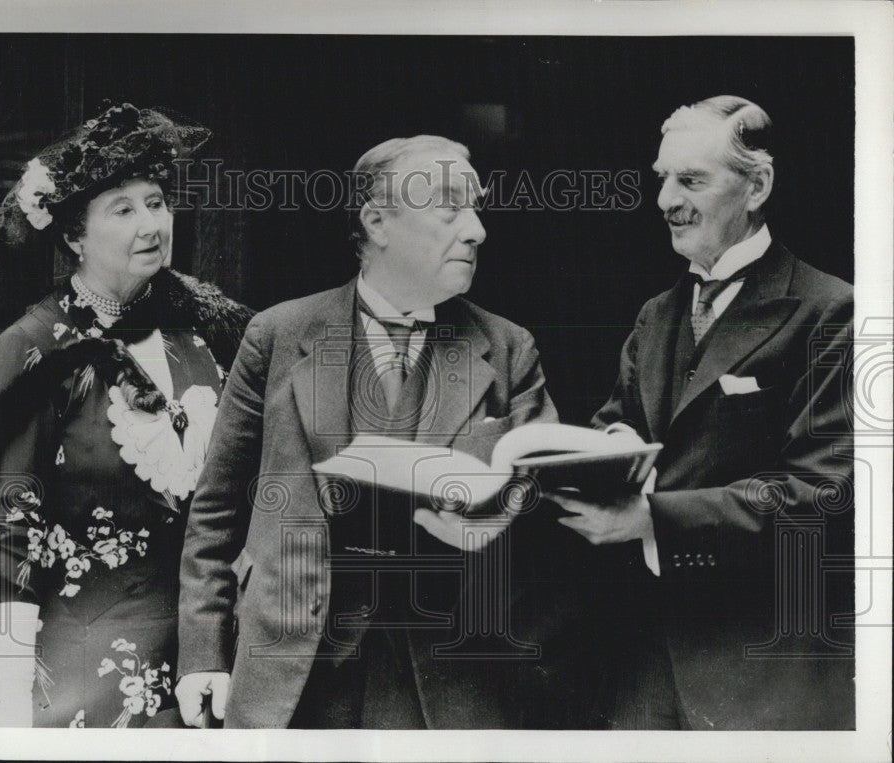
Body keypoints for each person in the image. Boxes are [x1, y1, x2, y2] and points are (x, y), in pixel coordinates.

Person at [176, 135, 558, 728]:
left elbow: (544, 516)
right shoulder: (278, 335)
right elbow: (217, 511)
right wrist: (202, 654)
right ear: (378, 222)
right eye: (451, 209)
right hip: (294, 668)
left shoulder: (509, 350)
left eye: (478, 209)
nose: (478, 229)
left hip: (450, 678)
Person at [0, 102, 254, 728]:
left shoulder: (205, 335)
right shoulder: (36, 349)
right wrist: (4, 695)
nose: (150, 224)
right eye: (123, 209)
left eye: (156, 202)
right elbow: (10, 535)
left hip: (206, 663)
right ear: (75, 238)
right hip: (83, 671)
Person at [551, 96, 855, 729]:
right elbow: (623, 424)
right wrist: (609, 448)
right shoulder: (658, 314)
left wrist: (650, 521)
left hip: (764, 674)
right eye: (662, 177)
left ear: (757, 186)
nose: (665, 200)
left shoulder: (832, 312)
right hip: (639, 671)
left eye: (691, 179)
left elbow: (825, 497)